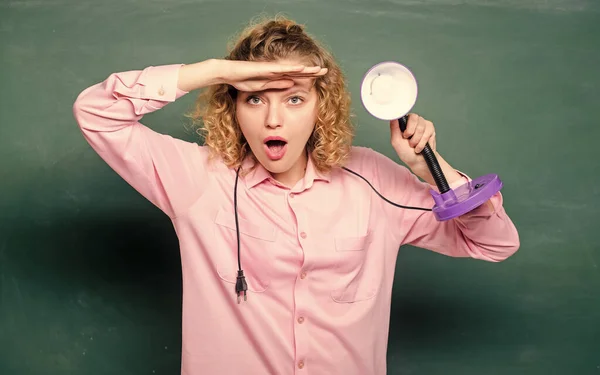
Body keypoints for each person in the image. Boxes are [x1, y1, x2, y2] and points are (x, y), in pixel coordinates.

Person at [73, 15, 519, 375]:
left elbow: (492, 243)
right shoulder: (197, 180)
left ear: (320, 107)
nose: (272, 120)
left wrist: (434, 171)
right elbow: (96, 114)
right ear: (232, 107)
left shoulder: (373, 179)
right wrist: (217, 72)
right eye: (253, 99)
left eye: (293, 99)